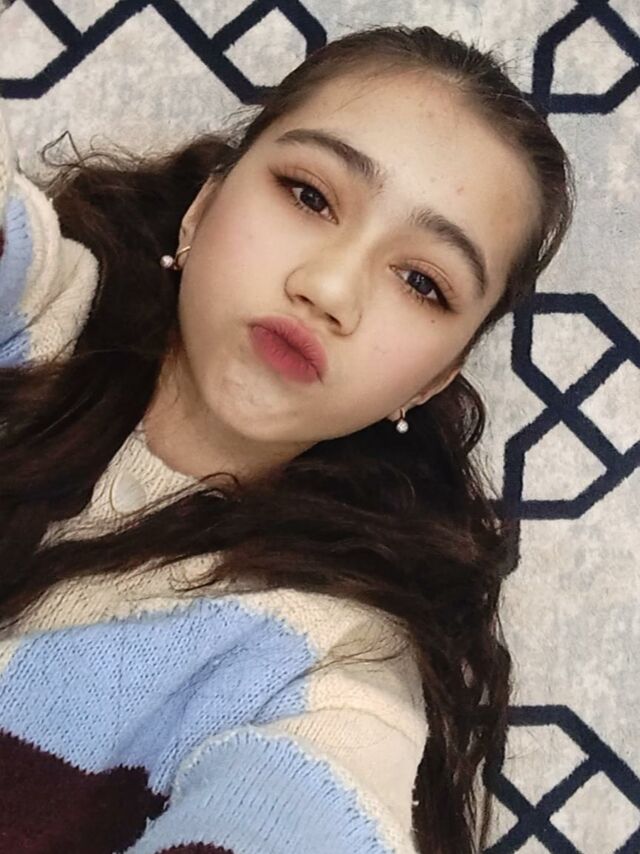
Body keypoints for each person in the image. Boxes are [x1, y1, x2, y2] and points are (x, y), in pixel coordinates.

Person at [0, 23, 574, 854]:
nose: (330, 289)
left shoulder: (333, 670)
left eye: (422, 282)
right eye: (309, 196)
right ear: (203, 208)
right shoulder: (29, 309)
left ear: (430, 382)